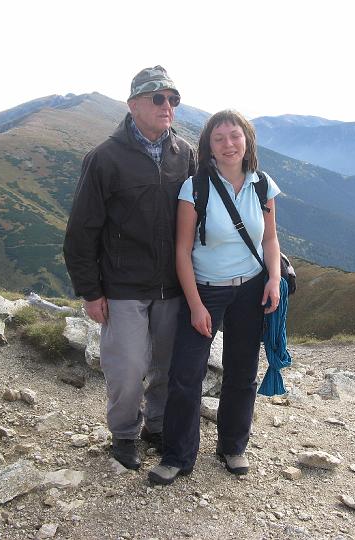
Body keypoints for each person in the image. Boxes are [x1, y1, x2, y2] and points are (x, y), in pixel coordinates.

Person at [63, 66, 196, 470]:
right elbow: (81, 232)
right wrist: (91, 292)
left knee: (166, 368)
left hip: (174, 286)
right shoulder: (104, 159)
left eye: (173, 99)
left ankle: (157, 426)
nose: (167, 106)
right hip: (123, 287)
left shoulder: (185, 154)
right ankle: (123, 434)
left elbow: (202, 217)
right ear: (133, 104)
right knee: (127, 369)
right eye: (158, 98)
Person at [147, 110, 281, 485]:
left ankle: (233, 446)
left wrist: (273, 279)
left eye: (235, 136)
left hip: (252, 287)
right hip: (206, 289)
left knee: (242, 371)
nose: (228, 144)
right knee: (186, 375)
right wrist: (195, 305)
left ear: (247, 140)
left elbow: (270, 239)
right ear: (208, 145)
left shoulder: (263, 185)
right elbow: (182, 251)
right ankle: (177, 456)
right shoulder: (195, 188)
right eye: (219, 138)